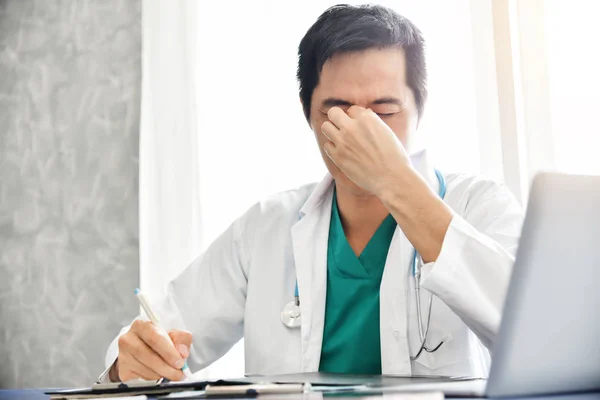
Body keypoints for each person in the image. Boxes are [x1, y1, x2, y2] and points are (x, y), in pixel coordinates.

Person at [100, 4, 523, 382]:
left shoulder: (481, 205)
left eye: (384, 111)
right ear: (308, 114)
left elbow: (529, 334)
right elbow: (160, 334)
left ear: (420, 109)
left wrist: (395, 179)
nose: (360, 130)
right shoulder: (264, 227)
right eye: (336, 111)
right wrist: (132, 362)